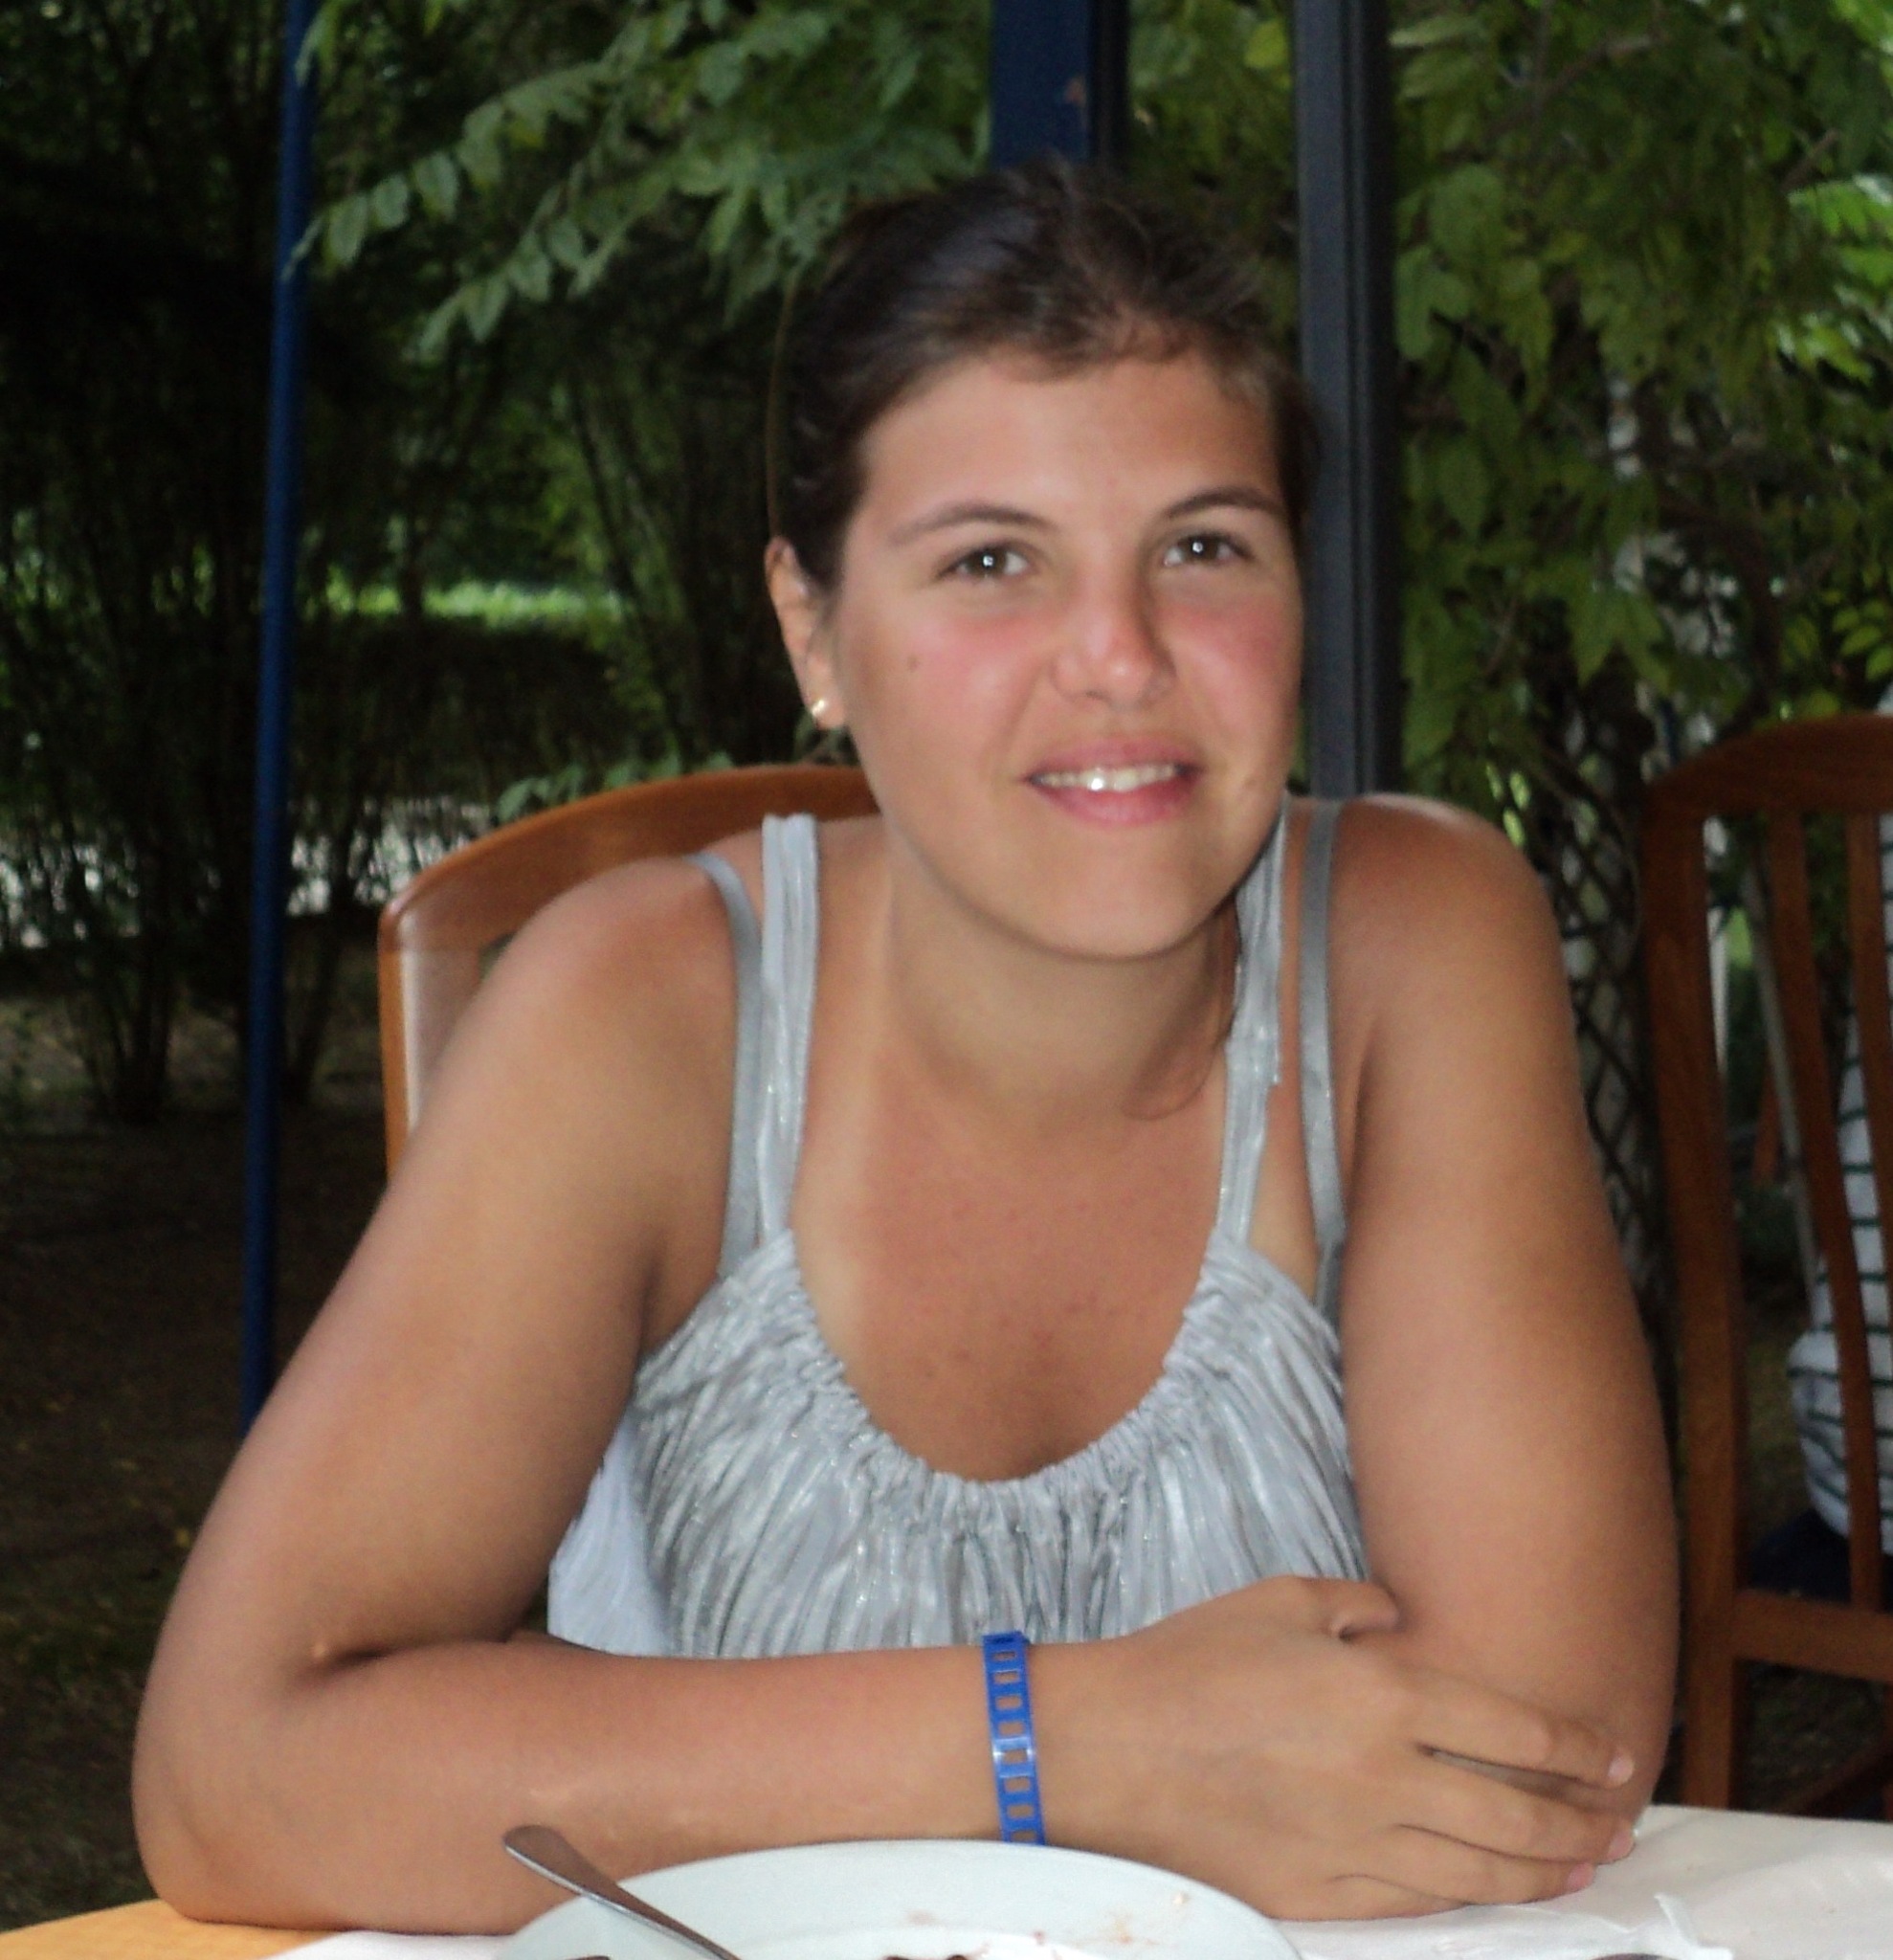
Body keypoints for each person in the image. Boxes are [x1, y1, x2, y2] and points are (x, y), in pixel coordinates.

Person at [133, 161, 1676, 1934]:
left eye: (1201, 547)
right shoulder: (644, 1013)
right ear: (813, 628)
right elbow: (238, 1776)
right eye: (990, 562)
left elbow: (1540, 1756)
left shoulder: (1413, 943)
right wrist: (1070, 1745)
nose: (1118, 657)